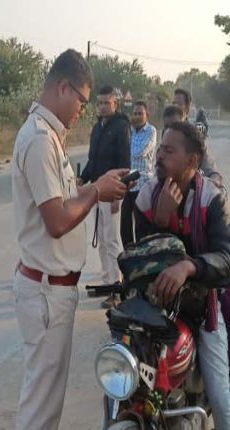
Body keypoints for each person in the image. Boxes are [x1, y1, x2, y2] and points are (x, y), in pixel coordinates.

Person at [11, 49, 129, 430]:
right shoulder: (39, 140)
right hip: (47, 291)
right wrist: (96, 192)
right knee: (41, 409)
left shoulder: (49, 136)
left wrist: (92, 185)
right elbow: (58, 220)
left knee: (43, 399)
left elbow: (63, 196)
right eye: (81, 100)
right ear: (63, 87)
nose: (83, 110)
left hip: (51, 289)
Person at [134, 121, 230, 430]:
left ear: (192, 161)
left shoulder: (211, 199)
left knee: (220, 395)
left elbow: (226, 259)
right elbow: (137, 257)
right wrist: (161, 220)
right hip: (155, 306)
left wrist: (188, 266)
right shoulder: (146, 196)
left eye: (169, 151)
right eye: (160, 149)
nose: (159, 156)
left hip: (202, 306)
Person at [79, 85, 131, 309]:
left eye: (106, 103)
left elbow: (125, 163)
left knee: (111, 240)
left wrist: (119, 195)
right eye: (99, 103)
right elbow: (93, 161)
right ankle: (107, 281)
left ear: (114, 104)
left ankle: (117, 288)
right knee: (101, 239)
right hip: (97, 191)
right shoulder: (98, 128)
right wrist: (82, 179)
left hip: (112, 193)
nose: (101, 107)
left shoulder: (121, 127)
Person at [121, 101, 157, 247]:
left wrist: (124, 148)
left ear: (147, 115)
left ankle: (142, 254)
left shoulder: (151, 131)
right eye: (135, 113)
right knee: (125, 225)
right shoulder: (129, 131)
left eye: (140, 113)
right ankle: (129, 254)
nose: (137, 116)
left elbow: (139, 152)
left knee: (141, 226)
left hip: (143, 183)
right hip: (128, 184)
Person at [171, 90, 225, 188]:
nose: (175, 107)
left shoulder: (194, 135)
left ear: (187, 109)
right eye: (173, 104)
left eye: (179, 104)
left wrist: (215, 181)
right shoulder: (166, 133)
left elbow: (210, 168)